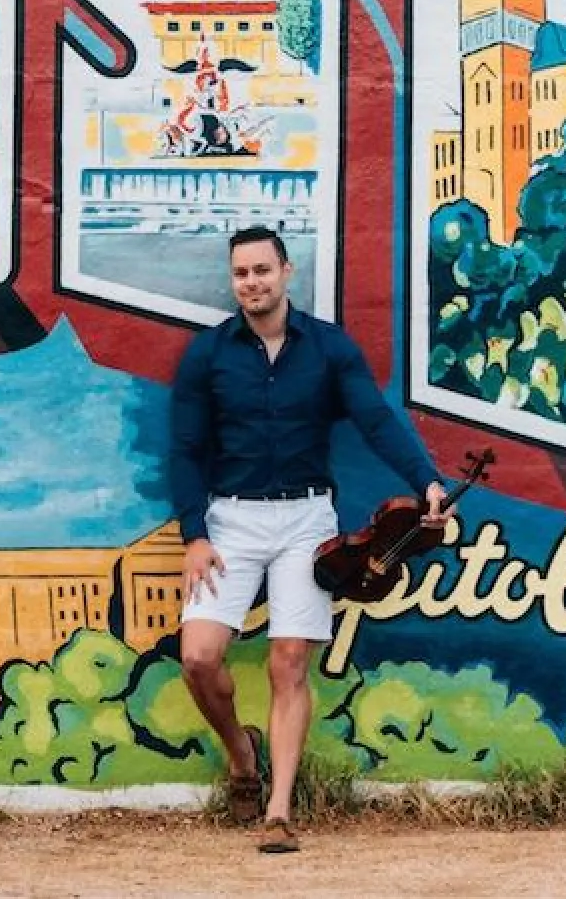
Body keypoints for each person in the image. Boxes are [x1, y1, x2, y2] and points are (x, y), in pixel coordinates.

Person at [170, 227, 448, 854]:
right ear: (233, 280)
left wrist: (425, 481)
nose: (253, 283)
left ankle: (277, 810)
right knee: (199, 658)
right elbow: (185, 450)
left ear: (286, 271)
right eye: (241, 273)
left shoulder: (328, 349)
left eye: (263, 270)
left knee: (288, 660)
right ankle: (242, 751)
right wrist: (194, 534)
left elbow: (376, 421)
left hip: (306, 522)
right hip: (230, 522)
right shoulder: (208, 355)